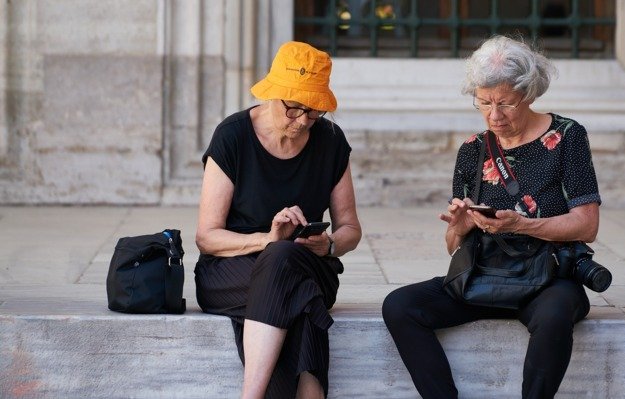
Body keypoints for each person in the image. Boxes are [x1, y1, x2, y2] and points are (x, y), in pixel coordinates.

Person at [382, 35, 601, 399]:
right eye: (483, 102)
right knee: (400, 305)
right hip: (482, 275)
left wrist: (523, 224)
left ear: (528, 94)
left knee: (555, 314)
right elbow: (453, 246)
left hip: (546, 277)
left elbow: (587, 225)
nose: (494, 115)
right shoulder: (472, 149)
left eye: (505, 103)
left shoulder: (567, 137)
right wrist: (460, 225)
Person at [194, 41, 362, 399]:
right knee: (297, 292)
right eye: (294, 109)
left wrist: (330, 244)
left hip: (305, 264)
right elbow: (206, 237)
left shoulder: (331, 141)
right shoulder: (232, 136)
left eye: (314, 112)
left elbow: (350, 229)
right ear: (272, 95)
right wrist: (266, 240)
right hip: (231, 270)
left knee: (284, 262)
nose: (303, 121)